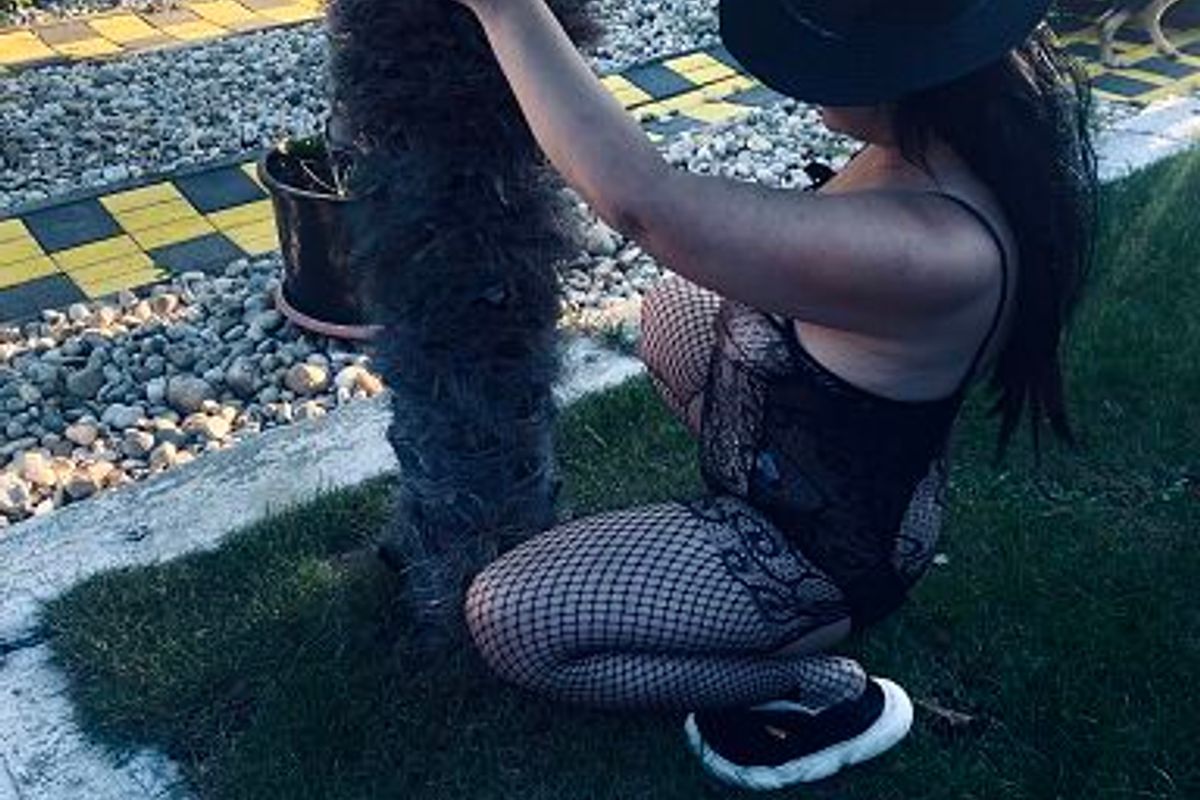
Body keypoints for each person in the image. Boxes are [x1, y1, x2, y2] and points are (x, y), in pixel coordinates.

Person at [455, 0, 1098, 789]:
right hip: (825, 462)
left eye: (828, 57)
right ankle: (748, 555)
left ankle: (813, 684)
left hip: (821, 554)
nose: (803, 79)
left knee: (511, 619)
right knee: (672, 310)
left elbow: (645, 205)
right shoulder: (954, 138)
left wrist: (507, 12)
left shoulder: (939, 250)